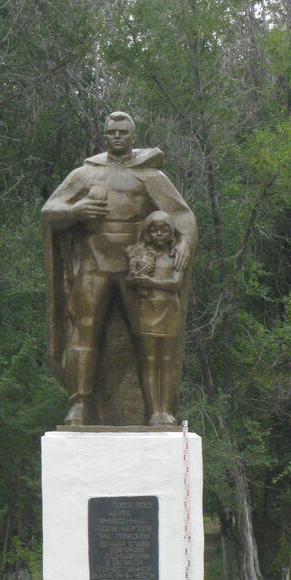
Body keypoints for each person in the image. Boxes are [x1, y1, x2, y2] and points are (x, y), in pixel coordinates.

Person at [42, 112, 197, 426]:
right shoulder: (85, 175)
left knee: (148, 337)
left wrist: (184, 244)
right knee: (83, 333)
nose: (116, 137)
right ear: (104, 135)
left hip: (137, 264)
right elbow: (49, 211)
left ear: (132, 136)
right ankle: (80, 405)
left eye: (122, 132)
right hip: (93, 261)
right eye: (111, 132)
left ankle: (157, 410)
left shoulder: (149, 176)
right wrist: (75, 210)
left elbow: (183, 216)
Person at [125, 212, 183, 425]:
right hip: (148, 308)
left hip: (170, 310)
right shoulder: (141, 255)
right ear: (147, 233)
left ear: (171, 233)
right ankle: (154, 411)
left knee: (167, 362)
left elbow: (176, 283)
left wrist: (149, 282)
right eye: (154, 229)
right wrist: (135, 276)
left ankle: (166, 411)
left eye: (164, 230)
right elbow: (129, 279)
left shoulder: (176, 254)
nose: (159, 234)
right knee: (150, 362)